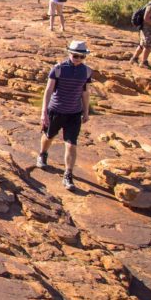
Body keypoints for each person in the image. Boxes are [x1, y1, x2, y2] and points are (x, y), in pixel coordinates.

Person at [37, 41, 93, 191]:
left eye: (81, 57)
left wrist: (86, 112)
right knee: (49, 136)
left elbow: (85, 93)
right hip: (56, 110)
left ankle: (68, 174)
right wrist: (44, 113)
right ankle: (42, 153)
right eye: (75, 56)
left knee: (71, 144)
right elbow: (48, 90)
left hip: (74, 113)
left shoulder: (87, 71)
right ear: (69, 53)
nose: (78, 59)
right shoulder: (58, 69)